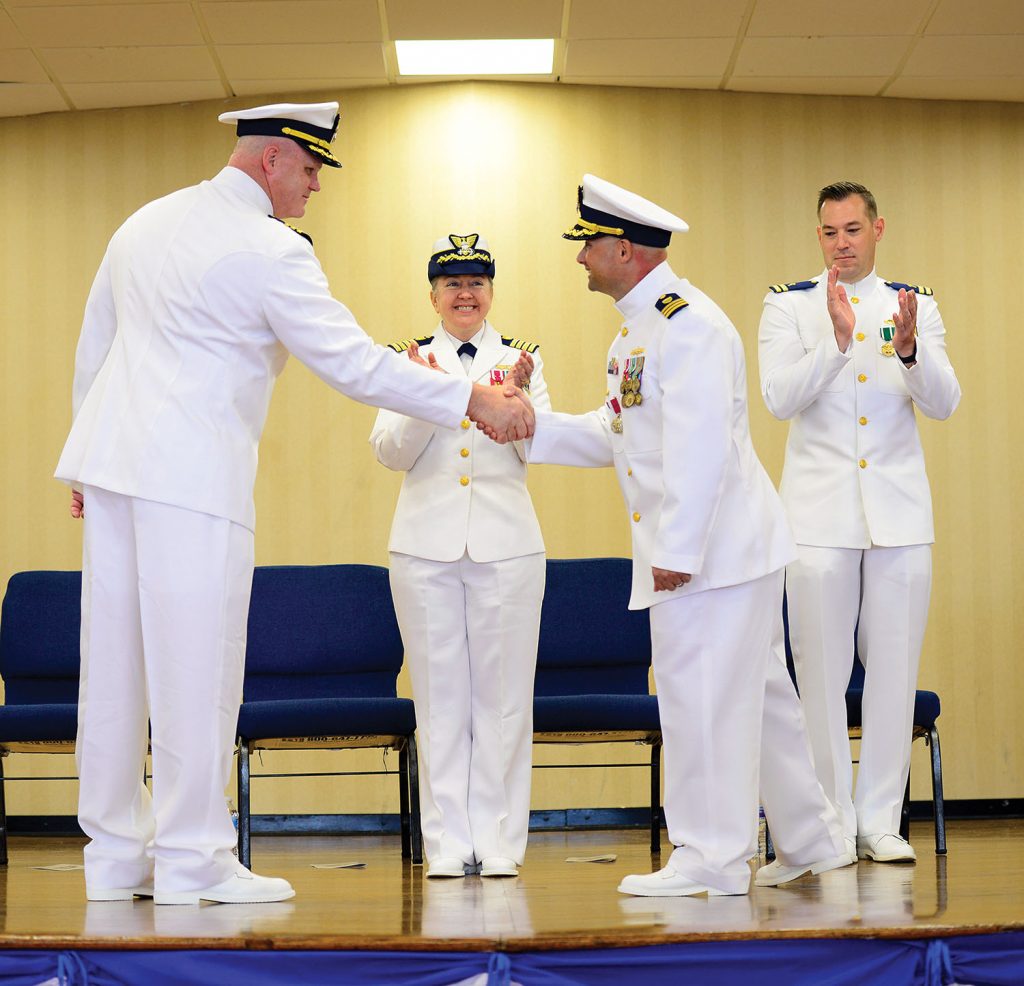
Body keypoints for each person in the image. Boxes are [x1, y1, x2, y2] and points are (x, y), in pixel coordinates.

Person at [54, 102, 533, 906]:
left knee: (114, 667)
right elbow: (351, 364)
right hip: (191, 477)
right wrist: (471, 400)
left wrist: (82, 457)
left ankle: (113, 860)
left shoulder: (146, 220)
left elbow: (95, 341)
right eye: (310, 169)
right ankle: (193, 861)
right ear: (272, 159)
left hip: (110, 468)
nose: (314, 186)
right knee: (194, 665)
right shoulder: (271, 249)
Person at [522, 174, 849, 897]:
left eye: (590, 245)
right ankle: (811, 841)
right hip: (725, 553)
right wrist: (529, 427)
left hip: (710, 557)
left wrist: (674, 553)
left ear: (628, 250)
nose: (581, 259)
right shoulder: (639, 332)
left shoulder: (688, 324)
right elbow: (620, 434)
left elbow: (700, 447)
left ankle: (712, 858)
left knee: (704, 700)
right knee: (755, 699)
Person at [757, 180, 960, 864]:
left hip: (900, 518)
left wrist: (908, 351)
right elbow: (779, 399)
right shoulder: (787, 305)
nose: (841, 243)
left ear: (878, 229)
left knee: (895, 671)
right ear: (819, 237)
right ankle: (829, 821)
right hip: (817, 519)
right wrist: (837, 345)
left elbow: (944, 403)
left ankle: (878, 819)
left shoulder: (915, 307)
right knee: (819, 673)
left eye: (852, 229)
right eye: (829, 232)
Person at [370, 233, 550, 879]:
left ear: (490, 291)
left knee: (503, 700)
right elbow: (390, 451)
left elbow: (539, 448)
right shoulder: (407, 359)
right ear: (434, 295)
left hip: (507, 546)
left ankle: (500, 840)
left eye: (475, 282)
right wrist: (432, 394)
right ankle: (447, 842)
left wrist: (524, 404)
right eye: (452, 284)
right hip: (425, 548)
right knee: (440, 698)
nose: (465, 293)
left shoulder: (522, 358)